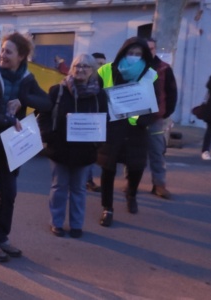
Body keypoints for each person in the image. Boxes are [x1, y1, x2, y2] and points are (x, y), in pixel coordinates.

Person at [0, 32, 51, 262]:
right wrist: (4, 118)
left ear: (21, 56)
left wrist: (24, 99)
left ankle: (1, 236)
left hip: (12, 146)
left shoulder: (27, 79)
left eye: (8, 51)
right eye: (2, 50)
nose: (2, 55)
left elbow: (47, 103)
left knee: (9, 193)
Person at [38, 54, 108, 238]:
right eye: (77, 66)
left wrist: (97, 141)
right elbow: (43, 116)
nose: (80, 69)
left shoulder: (99, 95)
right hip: (60, 148)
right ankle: (57, 223)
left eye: (85, 66)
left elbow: (105, 120)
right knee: (59, 187)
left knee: (79, 189)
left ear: (92, 70)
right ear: (71, 68)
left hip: (85, 151)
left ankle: (77, 225)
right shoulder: (57, 91)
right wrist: (49, 136)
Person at [95, 37, 159, 227]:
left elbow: (155, 103)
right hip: (111, 127)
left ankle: (131, 194)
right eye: (130, 53)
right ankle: (107, 207)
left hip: (136, 129)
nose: (133, 57)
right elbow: (97, 96)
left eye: (138, 54)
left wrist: (144, 120)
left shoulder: (150, 75)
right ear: (123, 52)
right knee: (108, 168)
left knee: (136, 167)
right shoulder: (106, 70)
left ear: (144, 56)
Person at [144, 38, 178, 199]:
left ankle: (159, 184)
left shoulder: (164, 68)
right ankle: (131, 182)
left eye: (151, 48)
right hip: (133, 118)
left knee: (157, 152)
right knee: (131, 152)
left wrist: (165, 113)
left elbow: (172, 92)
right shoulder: (132, 68)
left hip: (155, 119)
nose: (149, 51)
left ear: (155, 49)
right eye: (146, 48)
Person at [84, 52, 108, 193]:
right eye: (98, 64)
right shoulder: (83, 81)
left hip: (97, 124)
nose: (101, 67)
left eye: (103, 64)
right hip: (84, 124)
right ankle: (86, 180)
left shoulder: (106, 81)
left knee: (94, 155)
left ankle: (88, 179)